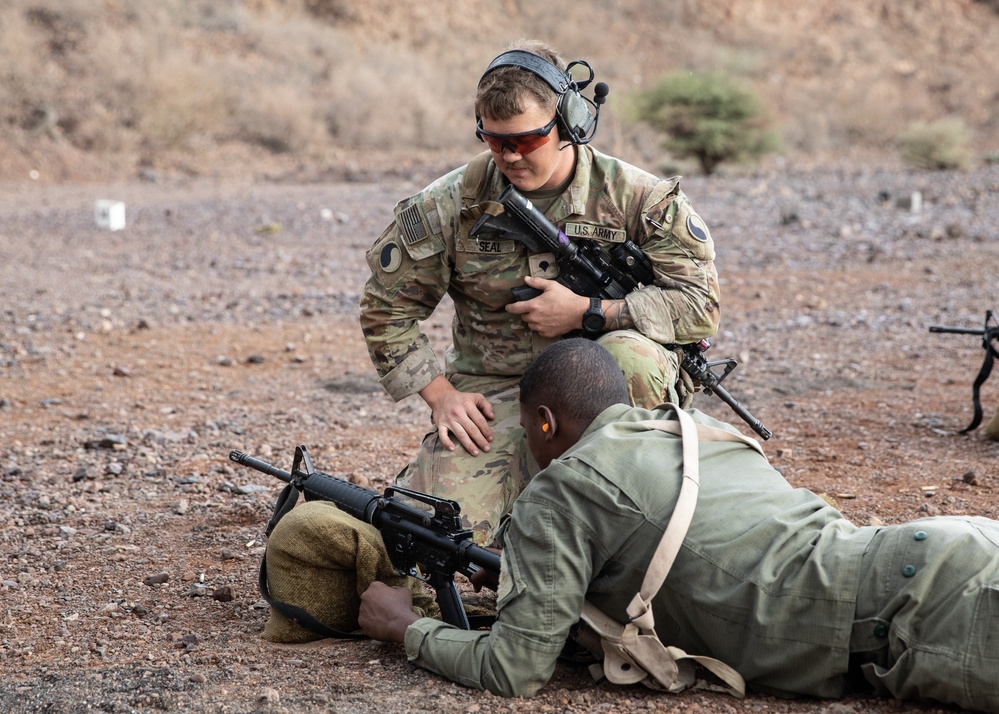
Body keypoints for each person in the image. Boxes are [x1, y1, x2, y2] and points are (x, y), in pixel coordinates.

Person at [358, 338, 999, 712]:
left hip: (922, 610)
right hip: (946, 547)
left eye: (527, 430)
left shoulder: (561, 492)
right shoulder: (700, 430)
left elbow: (515, 670)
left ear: (544, 422)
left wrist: (405, 628)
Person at [359, 40, 720, 545]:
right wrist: (441, 396)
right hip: (495, 391)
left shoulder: (637, 198)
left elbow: (699, 306)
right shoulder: (450, 204)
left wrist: (589, 313)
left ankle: (629, 510)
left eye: (527, 140)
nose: (509, 156)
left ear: (569, 123)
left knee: (632, 361)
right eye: (494, 140)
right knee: (442, 540)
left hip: (603, 383)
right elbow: (385, 309)